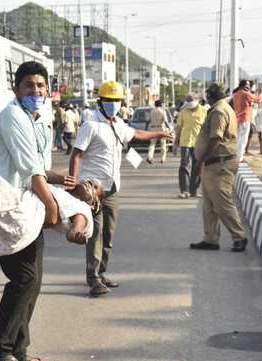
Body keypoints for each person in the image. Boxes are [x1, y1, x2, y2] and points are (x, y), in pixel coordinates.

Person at [0, 61, 76, 361]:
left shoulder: (38, 119)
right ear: (16, 89)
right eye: (28, 86)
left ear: (47, 90)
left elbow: (40, 167)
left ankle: (19, 351)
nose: (35, 91)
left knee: (32, 282)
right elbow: (28, 168)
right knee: (22, 278)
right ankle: (0, 350)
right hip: (8, 207)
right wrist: (51, 203)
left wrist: (61, 180)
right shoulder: (12, 116)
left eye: (40, 86)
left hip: (28, 205)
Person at [68, 80, 175, 297]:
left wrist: (160, 134)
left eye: (117, 100)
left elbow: (136, 134)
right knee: (95, 232)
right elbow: (76, 154)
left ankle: (102, 271)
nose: (113, 104)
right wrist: (73, 181)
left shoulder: (117, 123)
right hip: (92, 189)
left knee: (109, 233)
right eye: (109, 100)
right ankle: (93, 277)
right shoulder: (91, 125)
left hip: (112, 188)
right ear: (100, 101)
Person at [190, 82, 248, 253]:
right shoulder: (221, 108)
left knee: (222, 203)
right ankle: (211, 239)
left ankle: (239, 237)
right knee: (209, 205)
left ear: (210, 96)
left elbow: (216, 139)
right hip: (213, 164)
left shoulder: (219, 112)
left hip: (220, 163)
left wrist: (199, 162)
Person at [175, 93, 207, 198]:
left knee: (197, 167)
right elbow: (179, 128)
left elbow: (207, 128)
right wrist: (175, 143)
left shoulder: (204, 112)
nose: (190, 105)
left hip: (199, 144)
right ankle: (184, 190)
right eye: (188, 102)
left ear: (197, 101)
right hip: (185, 143)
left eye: (191, 102)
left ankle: (194, 190)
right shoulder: (183, 112)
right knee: (184, 166)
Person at [233, 79, 262, 160]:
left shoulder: (236, 94)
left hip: (238, 119)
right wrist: (260, 94)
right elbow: (258, 100)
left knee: (239, 139)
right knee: (243, 140)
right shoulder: (246, 94)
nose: (249, 87)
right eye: (248, 85)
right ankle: (240, 157)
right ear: (244, 85)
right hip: (245, 118)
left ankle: (237, 156)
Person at [146, 99, 172, 164]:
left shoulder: (151, 112)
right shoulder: (163, 111)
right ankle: (163, 159)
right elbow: (165, 121)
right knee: (163, 144)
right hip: (161, 129)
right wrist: (169, 128)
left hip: (153, 129)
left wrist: (146, 129)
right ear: (161, 105)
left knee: (152, 144)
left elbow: (147, 121)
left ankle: (150, 157)